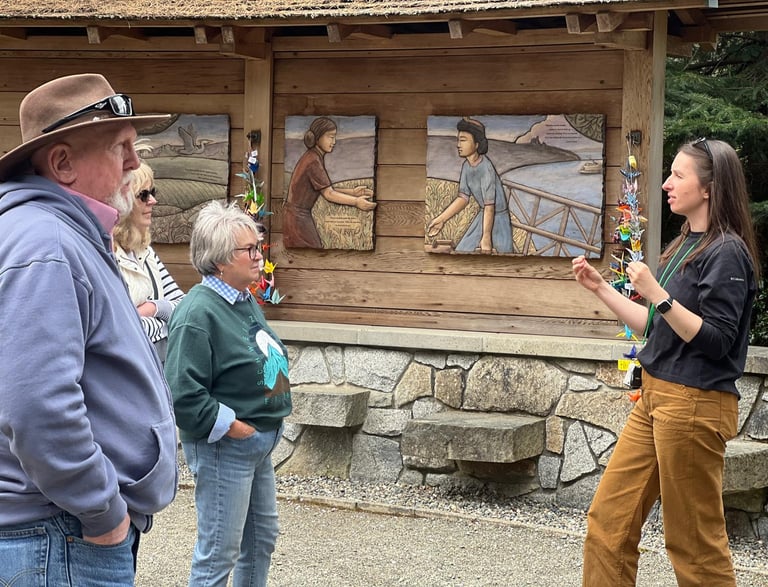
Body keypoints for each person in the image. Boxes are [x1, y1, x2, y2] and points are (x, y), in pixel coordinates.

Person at [0, 73, 178, 584]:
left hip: (59, 532)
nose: (135, 164)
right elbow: (37, 405)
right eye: (119, 147)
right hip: (61, 536)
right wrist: (104, 514)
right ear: (62, 163)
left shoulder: (53, 235)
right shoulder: (47, 244)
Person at [573, 138, 760, 586]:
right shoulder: (684, 243)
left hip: (694, 405)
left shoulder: (728, 253)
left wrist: (658, 292)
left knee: (693, 544)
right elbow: (658, 327)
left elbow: (717, 341)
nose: (665, 183)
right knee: (608, 524)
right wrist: (602, 290)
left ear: (710, 186)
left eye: (678, 174)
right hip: (655, 398)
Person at [165, 200, 292, 587]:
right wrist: (235, 427)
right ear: (219, 260)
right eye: (249, 250)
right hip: (228, 448)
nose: (259, 257)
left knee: (260, 541)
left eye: (259, 247)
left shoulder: (242, 299)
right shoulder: (197, 313)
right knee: (219, 552)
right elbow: (182, 394)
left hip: (256, 446)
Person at [114, 161, 184, 362]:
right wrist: (165, 326)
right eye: (143, 195)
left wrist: (153, 308)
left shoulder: (144, 250)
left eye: (153, 192)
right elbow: (124, 330)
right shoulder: (109, 255)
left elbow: (184, 308)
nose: (152, 200)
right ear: (122, 201)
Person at [283, 116, 376, 248]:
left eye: (334, 137)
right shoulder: (313, 161)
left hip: (296, 218)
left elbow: (325, 189)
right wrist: (356, 202)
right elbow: (329, 194)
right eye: (330, 137)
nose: (334, 141)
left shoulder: (313, 156)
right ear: (318, 137)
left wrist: (353, 192)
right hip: (298, 221)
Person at [427, 117, 515, 254]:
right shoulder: (467, 166)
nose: (458, 145)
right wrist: (441, 219)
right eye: (458, 140)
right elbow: (463, 198)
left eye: (463, 140)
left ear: (477, 144)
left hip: (497, 222)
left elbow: (489, 207)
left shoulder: (486, 168)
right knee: (462, 250)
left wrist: (486, 237)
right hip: (483, 217)